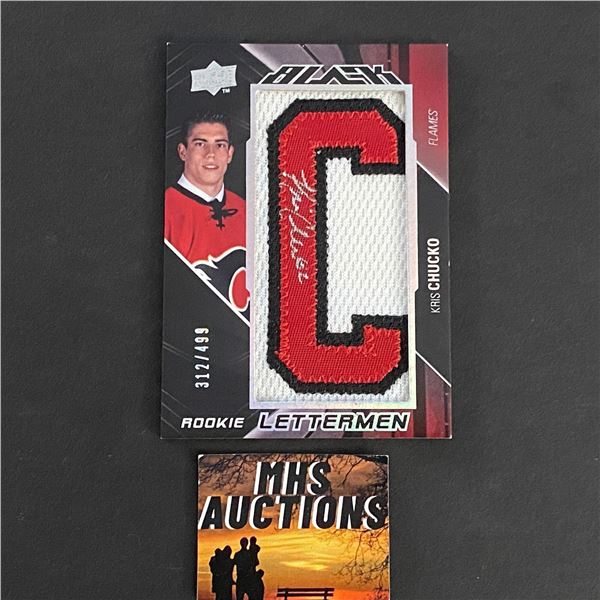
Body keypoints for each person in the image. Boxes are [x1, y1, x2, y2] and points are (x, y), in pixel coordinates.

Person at [164, 112, 246, 265]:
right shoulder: (165, 209)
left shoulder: (245, 209)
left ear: (230, 154)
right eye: (200, 144)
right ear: (183, 151)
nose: (211, 154)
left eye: (220, 145)